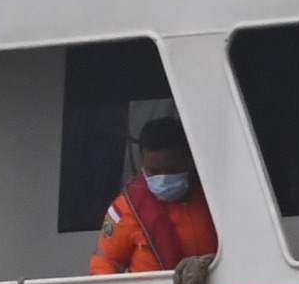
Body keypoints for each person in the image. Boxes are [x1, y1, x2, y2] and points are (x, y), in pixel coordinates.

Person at [89, 114, 219, 275]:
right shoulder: (126, 208)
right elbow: (105, 263)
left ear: (189, 161)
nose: (163, 178)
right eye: (154, 171)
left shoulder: (214, 198)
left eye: (172, 170)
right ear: (143, 165)